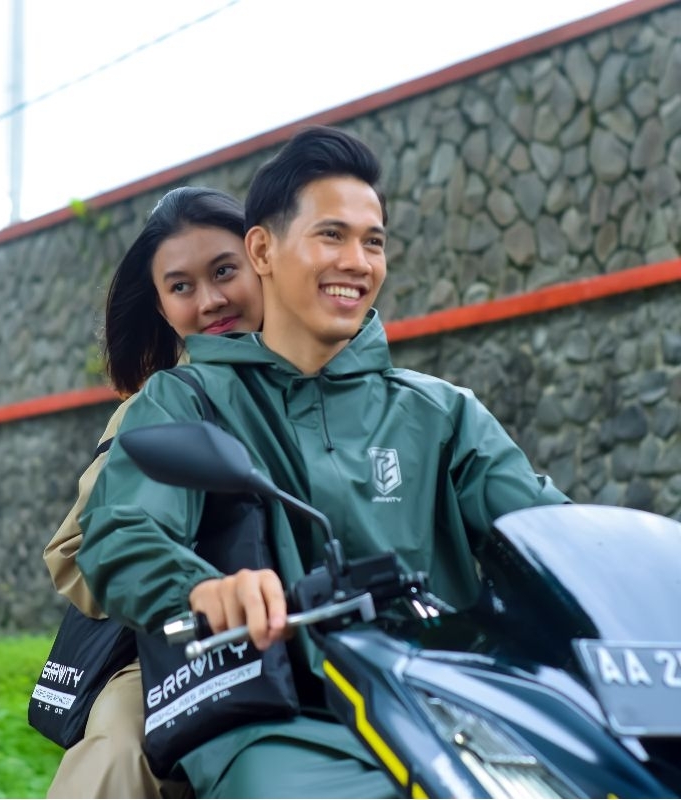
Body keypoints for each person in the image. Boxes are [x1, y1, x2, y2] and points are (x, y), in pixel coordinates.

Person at [76, 125, 571, 798]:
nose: (357, 261)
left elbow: (552, 533)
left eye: (374, 242)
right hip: (277, 722)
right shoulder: (184, 400)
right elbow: (123, 531)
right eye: (332, 235)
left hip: (446, 716)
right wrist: (203, 588)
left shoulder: (442, 412)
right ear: (263, 250)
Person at [43, 186, 263, 799]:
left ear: (264, 260)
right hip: (176, 653)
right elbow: (78, 553)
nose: (211, 300)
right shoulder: (156, 408)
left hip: (338, 633)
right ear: (163, 307)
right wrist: (187, 586)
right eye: (182, 286)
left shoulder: (354, 386)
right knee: (121, 749)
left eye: (224, 271)